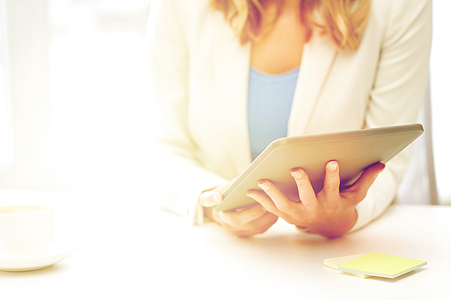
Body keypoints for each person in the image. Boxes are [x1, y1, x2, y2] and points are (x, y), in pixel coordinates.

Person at [146, 0, 432, 238]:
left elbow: (389, 155)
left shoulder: (401, 6)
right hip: (224, 250)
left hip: (344, 251)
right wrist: (212, 202)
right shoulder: (178, 6)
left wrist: (343, 219)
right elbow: (165, 150)